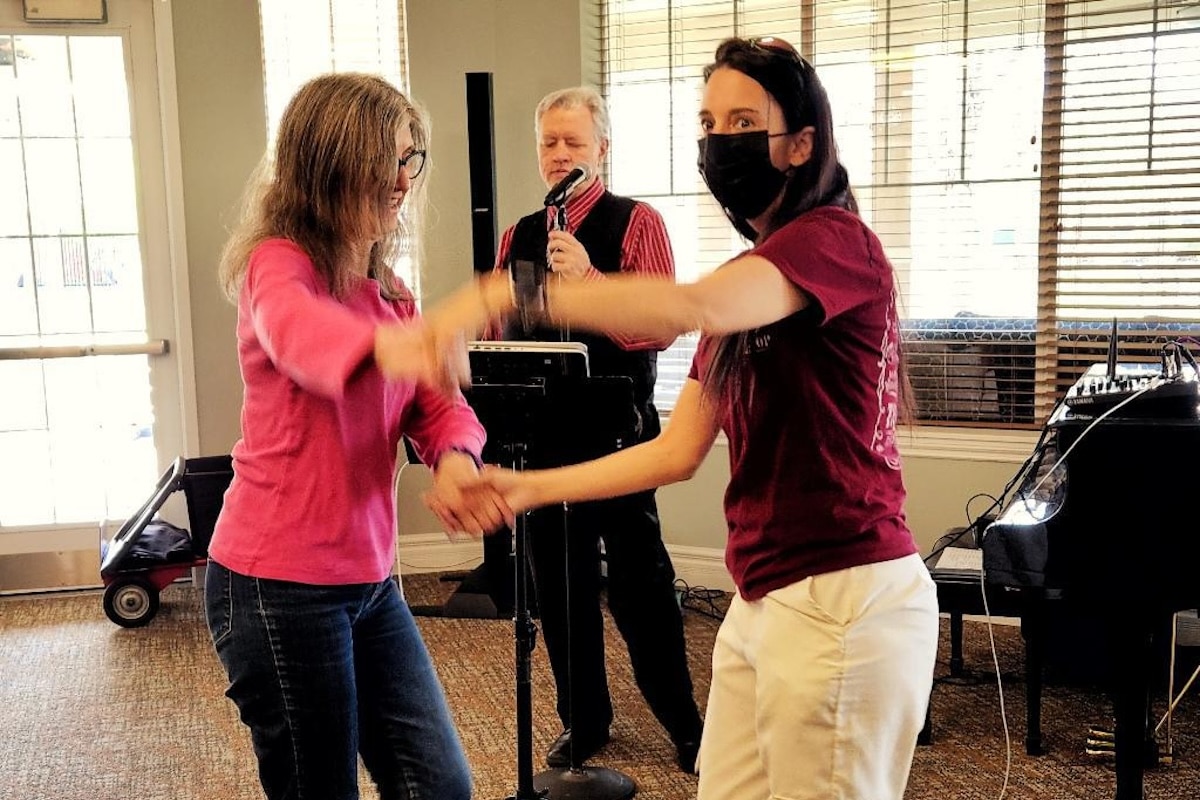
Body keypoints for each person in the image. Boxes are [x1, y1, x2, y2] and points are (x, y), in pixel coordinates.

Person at [425, 37, 940, 800]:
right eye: (705, 123)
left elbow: (689, 305)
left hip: (846, 597)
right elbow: (676, 452)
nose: (717, 142)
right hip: (763, 598)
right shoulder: (748, 279)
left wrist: (505, 293)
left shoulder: (835, 243)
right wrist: (525, 488)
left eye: (741, 121)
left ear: (801, 144)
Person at [205, 73, 504, 800]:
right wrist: (406, 346)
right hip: (277, 586)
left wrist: (457, 460)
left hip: (369, 585)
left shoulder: (390, 290)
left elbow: (438, 407)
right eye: (389, 161)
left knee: (439, 786)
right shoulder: (278, 267)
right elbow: (304, 340)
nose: (403, 181)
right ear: (333, 163)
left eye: (411, 159)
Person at [484, 85, 704, 773]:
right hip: (541, 442)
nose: (558, 155)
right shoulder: (518, 235)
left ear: (601, 149)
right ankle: (585, 721)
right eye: (548, 142)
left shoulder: (637, 223)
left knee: (642, 589)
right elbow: (499, 328)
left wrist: (592, 282)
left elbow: (664, 326)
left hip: (618, 440)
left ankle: (686, 725)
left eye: (573, 142)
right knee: (559, 590)